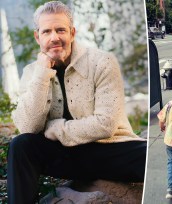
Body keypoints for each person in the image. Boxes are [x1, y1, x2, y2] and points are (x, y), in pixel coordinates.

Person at [7, 1, 147, 203]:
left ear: (72, 33)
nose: (54, 37)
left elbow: (105, 125)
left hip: (108, 150)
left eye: (60, 30)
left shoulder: (102, 62)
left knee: (147, 155)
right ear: (37, 37)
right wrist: (42, 74)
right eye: (47, 32)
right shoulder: (32, 72)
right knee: (21, 145)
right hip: (66, 156)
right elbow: (28, 127)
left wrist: (56, 128)